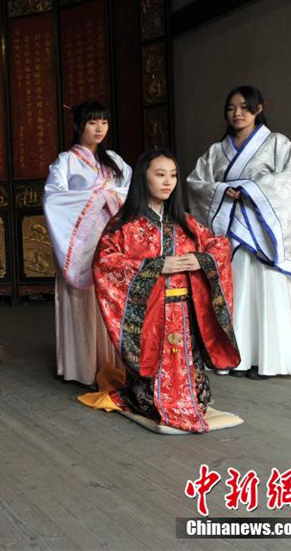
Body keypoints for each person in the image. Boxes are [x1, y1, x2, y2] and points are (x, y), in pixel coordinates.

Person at [89, 151, 240, 433]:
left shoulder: (186, 222)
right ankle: (148, 396)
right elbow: (105, 262)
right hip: (150, 314)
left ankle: (187, 397)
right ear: (143, 178)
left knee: (194, 393)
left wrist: (202, 260)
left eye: (172, 175)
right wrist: (157, 266)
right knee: (150, 396)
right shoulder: (125, 226)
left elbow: (218, 246)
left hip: (186, 313)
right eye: (160, 174)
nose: (167, 182)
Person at [187, 86, 291, 379]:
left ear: (259, 108)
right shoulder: (217, 151)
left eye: (244, 107)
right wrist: (220, 190)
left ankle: (271, 361)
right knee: (237, 291)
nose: (237, 113)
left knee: (267, 289)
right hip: (231, 230)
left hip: (263, 231)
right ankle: (237, 357)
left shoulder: (277, 144)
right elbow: (196, 183)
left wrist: (253, 191)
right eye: (231, 108)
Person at [42, 102, 132, 386]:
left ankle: (114, 361)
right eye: (93, 123)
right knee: (83, 301)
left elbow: (131, 191)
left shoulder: (115, 160)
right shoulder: (65, 162)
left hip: (111, 238)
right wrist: (97, 198)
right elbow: (53, 200)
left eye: (104, 122)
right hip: (80, 243)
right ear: (78, 126)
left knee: (112, 297)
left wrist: (112, 196)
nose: (99, 128)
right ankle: (83, 366)